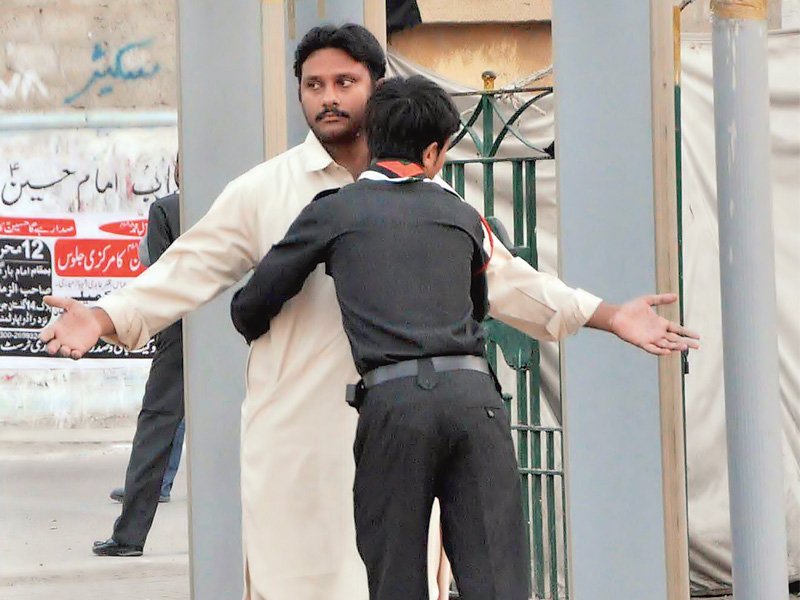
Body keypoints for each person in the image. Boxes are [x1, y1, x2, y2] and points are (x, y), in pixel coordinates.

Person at [38, 24, 698, 600]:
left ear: (376, 89)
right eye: (314, 84)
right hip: (295, 442)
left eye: (344, 82)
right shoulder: (264, 191)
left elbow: (509, 283)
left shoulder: (437, 198)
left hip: (396, 433)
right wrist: (101, 316)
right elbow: (189, 267)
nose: (328, 97)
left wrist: (608, 315)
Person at [229, 75, 531, 598]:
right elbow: (477, 307)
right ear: (433, 152)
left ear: (370, 138)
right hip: (475, 402)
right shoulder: (462, 216)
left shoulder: (335, 209)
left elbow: (252, 303)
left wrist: (257, 323)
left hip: (393, 406)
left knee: (394, 574)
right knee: (496, 578)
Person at [93, 189, 185, 556]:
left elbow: (159, 279)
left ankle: (130, 535)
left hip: (179, 335)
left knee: (157, 426)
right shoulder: (237, 200)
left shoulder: (165, 209)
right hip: (234, 332)